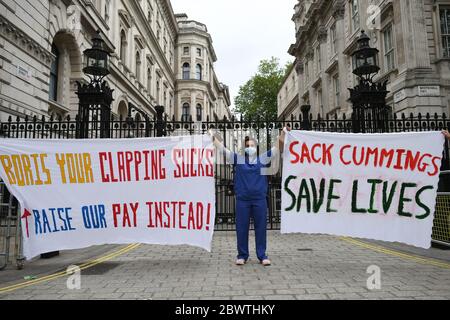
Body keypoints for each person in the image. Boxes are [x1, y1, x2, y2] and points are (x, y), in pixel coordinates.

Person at [210, 128, 289, 266]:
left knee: (261, 228)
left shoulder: (262, 159)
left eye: (252, 146)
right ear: (244, 148)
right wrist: (212, 136)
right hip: (243, 201)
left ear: (256, 147)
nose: (250, 148)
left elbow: (278, 148)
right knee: (241, 228)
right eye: (247, 146)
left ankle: (262, 255)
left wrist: (283, 132)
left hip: (259, 200)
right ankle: (242, 255)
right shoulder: (238, 160)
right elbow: (223, 149)